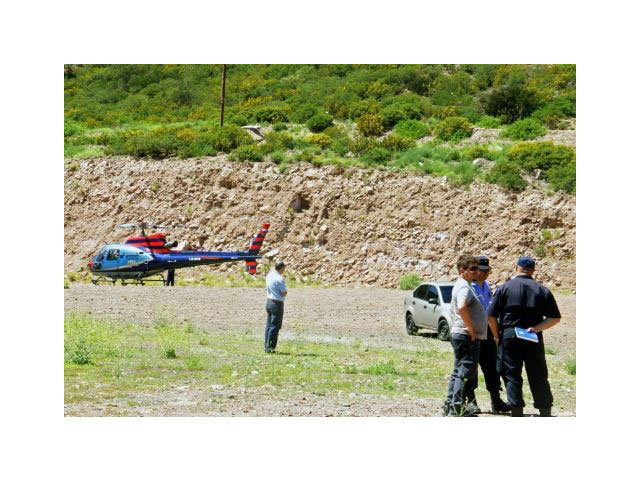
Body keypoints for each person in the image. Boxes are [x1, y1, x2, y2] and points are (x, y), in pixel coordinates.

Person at [487, 256, 561, 417]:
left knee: (511, 373)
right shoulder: (542, 290)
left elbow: (491, 316)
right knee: (538, 374)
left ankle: (517, 410)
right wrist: (536, 328)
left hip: (509, 335)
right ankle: (545, 410)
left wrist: (497, 336)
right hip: (532, 336)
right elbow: (555, 318)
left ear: (516, 268)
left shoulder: (504, 288)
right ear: (533, 270)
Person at [444, 255, 488, 416]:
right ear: (462, 270)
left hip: (460, 334)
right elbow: (462, 307)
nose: (477, 272)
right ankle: (457, 408)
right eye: (473, 269)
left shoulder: (462, 285)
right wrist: (470, 328)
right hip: (465, 336)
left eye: (478, 268)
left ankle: (450, 405)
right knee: (463, 373)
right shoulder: (464, 287)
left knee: (457, 371)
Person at [471, 256, 510, 414]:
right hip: (473, 332)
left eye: (487, 271)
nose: (485, 274)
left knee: (493, 368)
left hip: (487, 332)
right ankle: (470, 401)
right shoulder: (469, 286)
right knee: (471, 368)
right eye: (482, 271)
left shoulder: (486, 286)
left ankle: (496, 400)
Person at [264, 261, 288, 353]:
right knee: (275, 326)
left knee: (269, 326)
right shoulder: (279, 278)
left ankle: (266, 346)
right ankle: (270, 348)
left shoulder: (269, 275)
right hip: (277, 303)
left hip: (269, 301)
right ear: (281, 268)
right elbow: (284, 292)